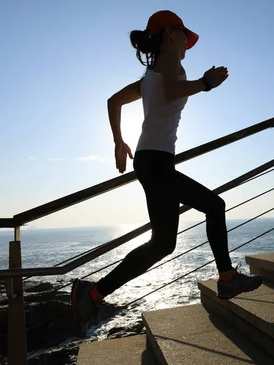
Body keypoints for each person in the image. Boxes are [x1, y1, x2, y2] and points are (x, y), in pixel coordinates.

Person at [71, 10, 263, 338]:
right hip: (155, 162)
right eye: (183, 34)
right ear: (170, 34)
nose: (187, 42)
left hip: (154, 161)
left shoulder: (151, 74)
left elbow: (114, 100)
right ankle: (227, 278)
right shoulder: (170, 65)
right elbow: (173, 90)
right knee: (206, 212)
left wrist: (119, 141)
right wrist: (205, 83)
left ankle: (91, 294)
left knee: (167, 241)